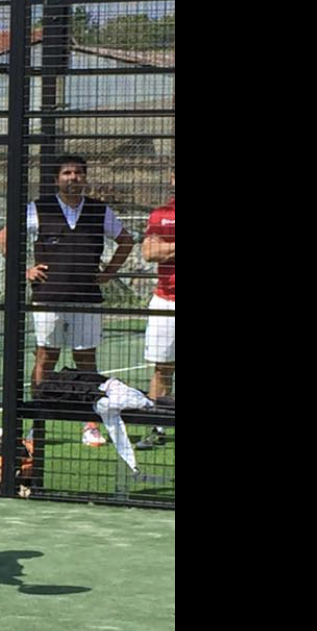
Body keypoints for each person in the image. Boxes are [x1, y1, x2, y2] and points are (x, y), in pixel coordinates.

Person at [0, 155, 134, 447]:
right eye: (67, 173)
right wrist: (25, 269)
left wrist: (109, 272)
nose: (73, 177)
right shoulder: (38, 208)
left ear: (85, 178)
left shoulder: (99, 210)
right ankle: (38, 425)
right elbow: (4, 237)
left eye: (78, 173)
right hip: (48, 297)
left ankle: (90, 425)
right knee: (46, 357)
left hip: (87, 298)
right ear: (57, 179)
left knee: (86, 360)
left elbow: (126, 240)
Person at [137, 169, 175, 449]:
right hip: (166, 300)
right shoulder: (161, 214)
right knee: (162, 368)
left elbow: (161, 251)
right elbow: (150, 253)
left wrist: (168, 247)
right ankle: (156, 427)